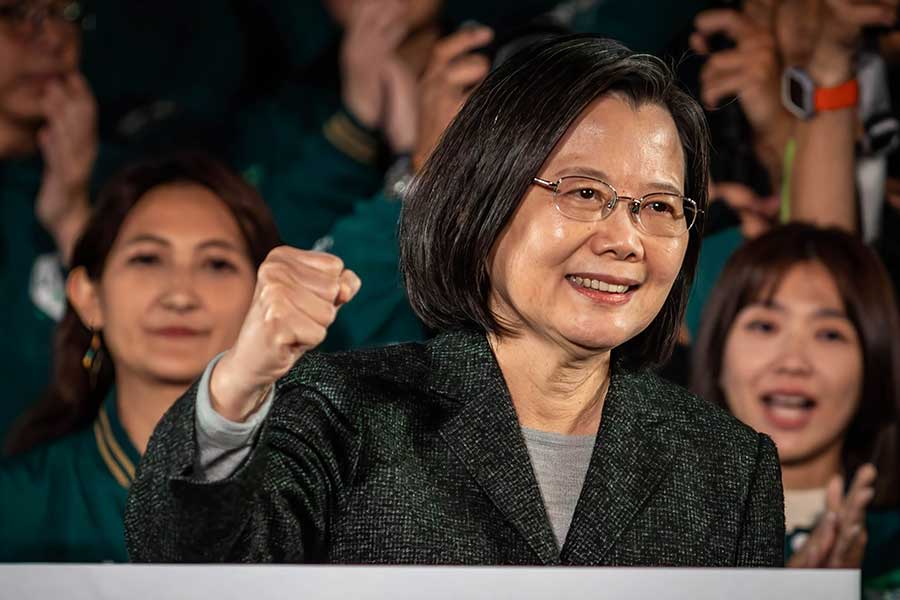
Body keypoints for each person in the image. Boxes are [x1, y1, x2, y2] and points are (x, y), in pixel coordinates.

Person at [125, 36, 784, 565]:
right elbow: (182, 560)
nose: (626, 238)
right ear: (481, 203)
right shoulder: (343, 413)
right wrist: (239, 383)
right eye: (584, 193)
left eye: (660, 206)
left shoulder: (730, 465)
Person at [0, 153, 281, 562]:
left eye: (216, 264)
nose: (180, 296)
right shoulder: (18, 508)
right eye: (147, 259)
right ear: (88, 297)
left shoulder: (315, 496)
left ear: (262, 299)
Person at [691, 224, 900, 591]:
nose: (792, 361)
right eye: (765, 326)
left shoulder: (891, 553)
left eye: (829, 334)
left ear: (873, 365)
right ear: (718, 357)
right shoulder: (647, 531)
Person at [0, 0, 100, 443]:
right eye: (17, 12)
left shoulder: (116, 177)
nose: (56, 37)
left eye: (67, 12)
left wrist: (72, 212)